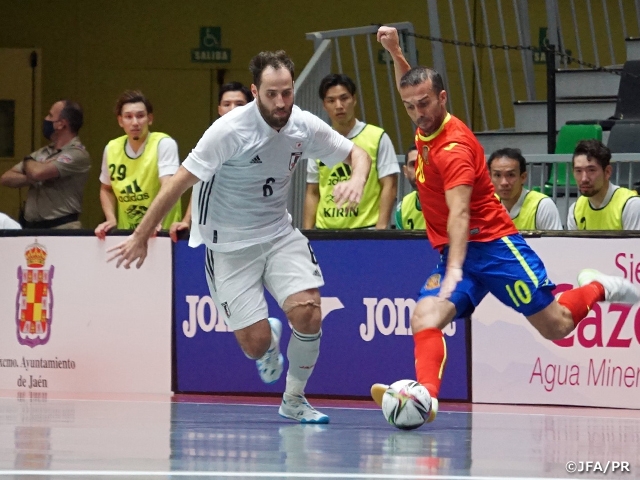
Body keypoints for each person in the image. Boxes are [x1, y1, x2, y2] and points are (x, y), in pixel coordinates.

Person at [372, 26, 640, 425]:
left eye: (424, 104)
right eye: (410, 106)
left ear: (443, 98)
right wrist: (396, 54)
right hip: (457, 253)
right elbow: (409, 87)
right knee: (424, 318)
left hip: (495, 247)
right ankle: (426, 397)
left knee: (557, 326)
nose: (417, 113)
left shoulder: (454, 150)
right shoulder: (425, 122)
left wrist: (454, 270)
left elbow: (460, 215)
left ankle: (601, 285)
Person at [106, 51, 371, 423]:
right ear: (254, 90)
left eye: (287, 92)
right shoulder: (229, 130)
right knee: (256, 343)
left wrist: (357, 178)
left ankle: (294, 400)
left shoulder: (303, 125)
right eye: (271, 94)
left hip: (279, 233)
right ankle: (265, 345)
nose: (281, 103)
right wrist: (141, 235)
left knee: (309, 312)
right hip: (228, 245)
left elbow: (357, 154)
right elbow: (178, 184)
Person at [303, 73, 398, 229]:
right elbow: (312, 192)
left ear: (354, 99)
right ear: (324, 105)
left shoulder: (377, 137)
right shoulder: (319, 141)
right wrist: (308, 233)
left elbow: (390, 186)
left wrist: (380, 229)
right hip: (325, 232)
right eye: (331, 100)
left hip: (366, 230)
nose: (339, 105)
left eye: (344, 98)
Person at [169, 82, 253, 242]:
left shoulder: (262, 141)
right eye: (227, 104)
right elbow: (199, 183)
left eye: (239, 104)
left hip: (253, 228)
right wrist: (186, 221)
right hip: (218, 231)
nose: (233, 108)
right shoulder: (211, 143)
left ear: (250, 108)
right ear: (219, 109)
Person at [95, 90, 182, 239]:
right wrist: (111, 219)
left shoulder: (164, 143)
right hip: (128, 236)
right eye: (128, 117)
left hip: (163, 234)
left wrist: (153, 222)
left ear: (150, 119)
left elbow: (169, 187)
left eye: (140, 116)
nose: (135, 122)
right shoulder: (112, 148)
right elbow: (106, 189)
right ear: (120, 121)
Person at [0, 100, 90, 229]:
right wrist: (31, 175)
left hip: (62, 229)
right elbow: (6, 178)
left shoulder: (77, 154)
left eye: (50, 115)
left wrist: (32, 167)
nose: (45, 119)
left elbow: (38, 172)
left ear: (61, 124)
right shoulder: (43, 152)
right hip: (32, 228)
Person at [567, 139, 640, 230]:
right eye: (578, 171)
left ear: (607, 172)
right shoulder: (575, 210)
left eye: (591, 170)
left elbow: (635, 244)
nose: (584, 178)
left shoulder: (631, 205)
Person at [488, 148, 563, 230]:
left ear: (523, 177)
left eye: (511, 175)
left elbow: (556, 242)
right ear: (489, 177)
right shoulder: (487, 205)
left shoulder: (542, 205)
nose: (504, 182)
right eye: (497, 175)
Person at [395, 145, 426, 230]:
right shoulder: (403, 208)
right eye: (413, 164)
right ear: (405, 171)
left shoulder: (451, 203)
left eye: (424, 163)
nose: (419, 170)